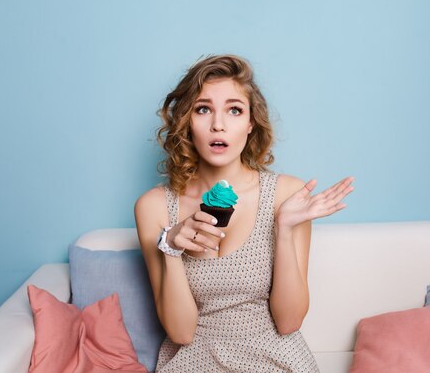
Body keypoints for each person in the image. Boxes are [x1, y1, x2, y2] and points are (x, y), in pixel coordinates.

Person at [134, 54, 354, 372]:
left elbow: (289, 321)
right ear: (186, 121)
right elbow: (181, 332)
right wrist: (170, 247)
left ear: (251, 123)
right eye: (203, 109)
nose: (218, 124)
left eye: (234, 110)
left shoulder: (286, 195)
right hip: (196, 361)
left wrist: (285, 228)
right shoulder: (154, 207)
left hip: (276, 362)